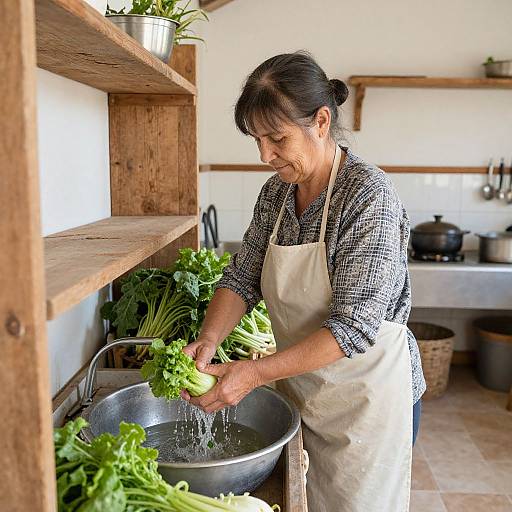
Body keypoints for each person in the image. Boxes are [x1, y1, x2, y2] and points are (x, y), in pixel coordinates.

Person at [181, 51, 426, 512]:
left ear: (320, 121)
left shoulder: (367, 195)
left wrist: (253, 373)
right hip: (304, 390)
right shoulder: (277, 193)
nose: (264, 155)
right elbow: (242, 275)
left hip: (369, 402)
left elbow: (354, 327)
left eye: (277, 138)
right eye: (257, 140)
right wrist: (209, 339)